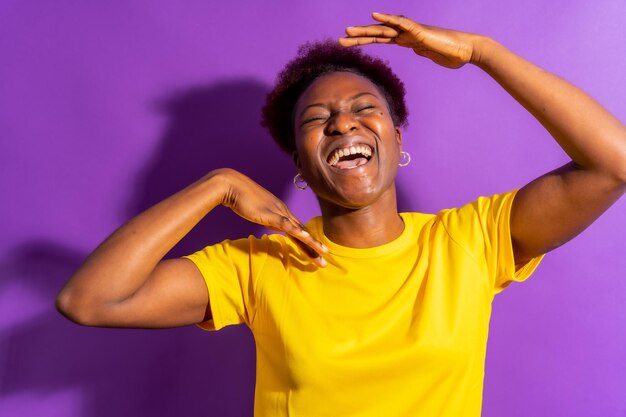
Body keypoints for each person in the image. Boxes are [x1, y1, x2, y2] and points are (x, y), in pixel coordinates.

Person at [56, 12, 626, 417]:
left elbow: (613, 164)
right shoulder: (259, 266)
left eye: (363, 109)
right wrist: (218, 185)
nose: (343, 123)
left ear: (394, 136)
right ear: (300, 158)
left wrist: (481, 50)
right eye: (318, 118)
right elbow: (88, 300)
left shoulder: (471, 241)